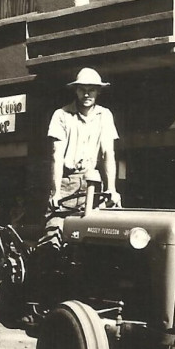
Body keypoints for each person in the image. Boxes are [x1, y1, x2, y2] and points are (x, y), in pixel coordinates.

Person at [45, 67, 121, 244]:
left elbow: (108, 152)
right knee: (54, 234)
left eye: (91, 90)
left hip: (93, 182)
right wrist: (56, 192)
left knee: (99, 232)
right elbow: (57, 155)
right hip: (67, 183)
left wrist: (112, 188)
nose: (86, 94)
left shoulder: (105, 115)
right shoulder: (61, 115)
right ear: (75, 90)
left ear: (98, 91)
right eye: (82, 89)